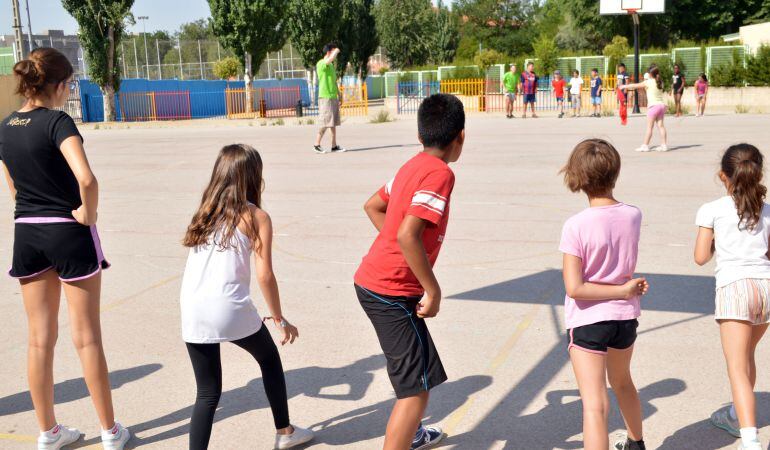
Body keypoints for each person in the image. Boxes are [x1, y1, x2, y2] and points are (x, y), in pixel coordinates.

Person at [0, 48, 130, 450]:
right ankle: (110, 432)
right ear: (56, 85)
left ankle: (48, 432)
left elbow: (14, 188)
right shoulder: (58, 122)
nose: (69, 91)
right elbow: (86, 179)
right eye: (69, 84)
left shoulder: (5, 126)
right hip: (67, 231)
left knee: (40, 339)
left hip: (28, 233)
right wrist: (87, 214)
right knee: (87, 338)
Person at [180, 144, 314, 450]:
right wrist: (279, 319)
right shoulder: (256, 216)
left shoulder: (204, 211)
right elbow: (265, 275)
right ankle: (285, 431)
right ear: (254, 177)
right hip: (227, 306)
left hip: (191, 306)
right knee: (268, 358)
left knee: (208, 392)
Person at [354, 93, 465, 450]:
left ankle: (411, 434)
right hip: (390, 292)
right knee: (416, 391)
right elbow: (407, 233)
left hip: (377, 284)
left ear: (420, 136)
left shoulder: (411, 165)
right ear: (460, 136)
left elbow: (373, 206)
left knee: (418, 376)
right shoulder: (440, 173)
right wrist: (432, 290)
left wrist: (397, 247)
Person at [559, 139, 650, 450]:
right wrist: (624, 290)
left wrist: (621, 289)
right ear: (615, 172)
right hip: (624, 318)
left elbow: (575, 287)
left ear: (578, 177)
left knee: (594, 404)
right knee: (623, 382)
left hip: (589, 321)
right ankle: (636, 442)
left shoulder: (575, 226)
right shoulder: (633, 215)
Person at [694, 143, 770, 450]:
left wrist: (716, 241)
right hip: (765, 287)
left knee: (737, 366)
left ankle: (749, 438)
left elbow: (700, 256)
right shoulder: (766, 210)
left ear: (723, 175)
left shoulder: (712, 209)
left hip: (734, 288)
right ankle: (735, 414)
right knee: (747, 357)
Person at [621, 66, 669, 152]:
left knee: (649, 127)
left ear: (650, 74)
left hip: (653, 107)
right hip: (661, 106)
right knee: (661, 126)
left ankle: (645, 145)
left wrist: (624, 86)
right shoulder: (660, 82)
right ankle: (664, 145)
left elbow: (635, 85)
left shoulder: (648, 82)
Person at [313, 43, 345, 154]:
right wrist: (336, 51)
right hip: (325, 97)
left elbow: (334, 81)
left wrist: (339, 94)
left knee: (333, 123)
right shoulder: (321, 63)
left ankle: (334, 145)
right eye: (333, 51)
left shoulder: (331, 66)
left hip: (332, 96)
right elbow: (328, 60)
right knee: (325, 122)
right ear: (328, 52)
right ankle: (316, 144)